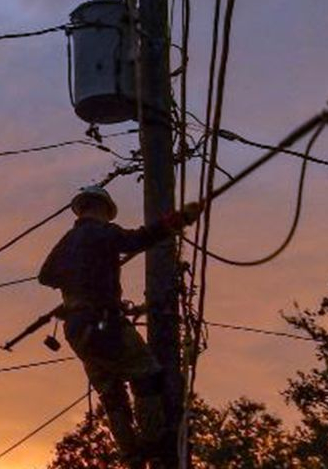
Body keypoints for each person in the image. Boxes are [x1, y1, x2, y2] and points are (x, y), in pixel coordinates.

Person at [38, 185, 202, 468]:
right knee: (146, 374)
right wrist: (179, 219)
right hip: (105, 324)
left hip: (77, 330)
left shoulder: (67, 241)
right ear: (102, 208)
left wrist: (80, 284)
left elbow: (46, 276)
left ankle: (131, 455)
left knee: (111, 393)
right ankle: (155, 444)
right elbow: (139, 239)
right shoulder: (103, 232)